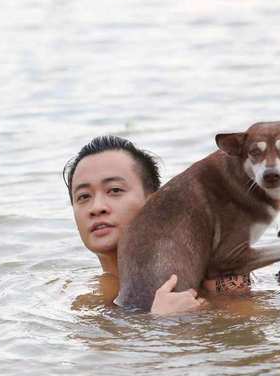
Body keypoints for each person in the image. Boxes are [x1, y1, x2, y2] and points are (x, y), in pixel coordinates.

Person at [63, 135, 250, 315]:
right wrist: (160, 321)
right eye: (84, 197)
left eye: (114, 190)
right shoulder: (81, 303)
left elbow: (254, 329)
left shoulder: (210, 270)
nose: (97, 207)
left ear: (156, 202)